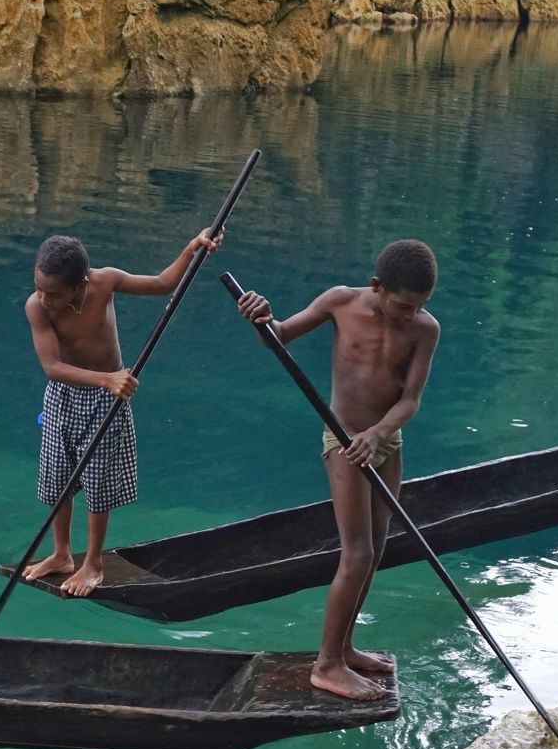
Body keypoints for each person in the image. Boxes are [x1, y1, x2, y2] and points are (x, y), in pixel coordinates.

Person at [237, 240, 439, 700]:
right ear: (377, 287)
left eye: (420, 307)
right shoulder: (339, 302)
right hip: (344, 441)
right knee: (358, 553)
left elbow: (410, 401)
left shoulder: (425, 330)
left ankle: (345, 648)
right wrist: (262, 315)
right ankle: (326, 665)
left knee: (378, 546)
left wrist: (380, 434)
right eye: (405, 305)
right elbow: (279, 336)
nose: (411, 315)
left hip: (385, 441)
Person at [24, 228, 222, 597]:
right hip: (66, 395)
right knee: (57, 478)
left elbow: (163, 283)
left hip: (107, 401)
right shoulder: (36, 307)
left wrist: (192, 248)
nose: (44, 299)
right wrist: (106, 379)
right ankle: (61, 553)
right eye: (39, 288)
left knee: (98, 481)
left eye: (54, 293)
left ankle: (93, 563)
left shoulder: (105, 282)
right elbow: (52, 366)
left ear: (80, 285)